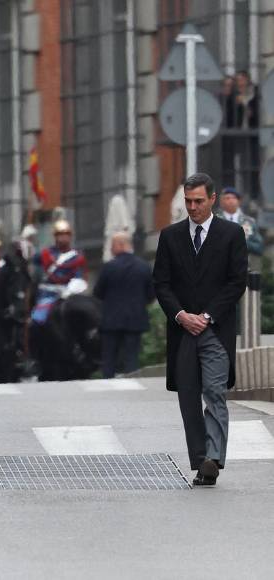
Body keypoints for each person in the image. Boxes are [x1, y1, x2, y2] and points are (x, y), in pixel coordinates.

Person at [153, 173, 248, 487]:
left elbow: (236, 282)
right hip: (182, 332)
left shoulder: (232, 234)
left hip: (214, 329)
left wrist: (206, 316)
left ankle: (213, 457)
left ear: (212, 199)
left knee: (215, 392)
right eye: (188, 201)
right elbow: (161, 284)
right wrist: (181, 315)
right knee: (188, 396)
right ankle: (200, 461)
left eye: (198, 201)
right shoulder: (170, 236)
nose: (192, 207)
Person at [93, 231, 154, 378]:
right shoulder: (144, 266)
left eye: (112, 245)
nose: (110, 249)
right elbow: (151, 294)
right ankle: (132, 385)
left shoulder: (109, 267)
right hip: (135, 319)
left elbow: (98, 292)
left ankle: (108, 386)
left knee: (109, 359)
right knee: (132, 357)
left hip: (111, 320)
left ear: (120, 245)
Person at [31, 219, 87, 324]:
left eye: (66, 235)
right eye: (60, 235)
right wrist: (28, 241)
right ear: (55, 237)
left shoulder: (76, 257)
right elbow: (30, 260)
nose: (63, 238)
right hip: (48, 294)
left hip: (69, 294)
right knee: (37, 319)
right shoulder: (45, 254)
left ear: (70, 237)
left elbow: (79, 278)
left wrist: (69, 291)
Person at [216, 187, 263, 257]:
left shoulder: (249, 222)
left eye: (234, 198)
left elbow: (259, 247)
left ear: (239, 201)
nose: (231, 201)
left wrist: (243, 243)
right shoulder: (215, 221)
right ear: (221, 202)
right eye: (227, 198)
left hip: (243, 264)